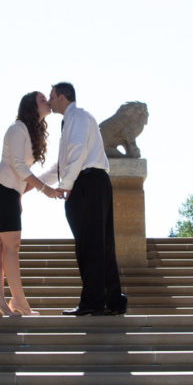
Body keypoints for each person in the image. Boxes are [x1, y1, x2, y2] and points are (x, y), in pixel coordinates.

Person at [42, 82, 127, 316]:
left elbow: (78, 152)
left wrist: (66, 186)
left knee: (90, 245)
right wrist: (36, 183)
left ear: (62, 97)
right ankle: (110, 301)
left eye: (51, 96)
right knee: (97, 244)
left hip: (87, 182)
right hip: (90, 182)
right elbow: (63, 164)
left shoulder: (77, 117)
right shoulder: (73, 120)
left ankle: (94, 302)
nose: (49, 101)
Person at [0, 91, 63, 316]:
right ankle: (19, 303)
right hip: (0, 190)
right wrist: (44, 189)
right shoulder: (17, 129)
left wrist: (18, 196)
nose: (47, 102)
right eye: (42, 100)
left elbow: (19, 172)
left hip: (5, 192)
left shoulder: (28, 131)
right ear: (31, 106)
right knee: (11, 246)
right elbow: (18, 166)